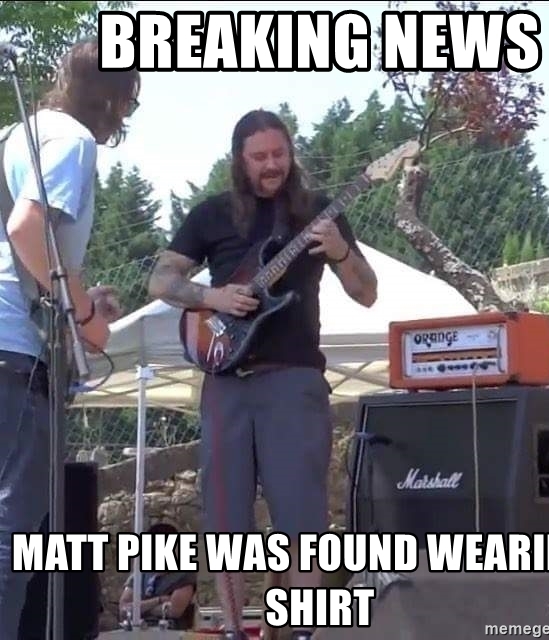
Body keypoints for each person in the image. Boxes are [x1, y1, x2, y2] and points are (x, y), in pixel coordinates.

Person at [147, 109, 378, 640]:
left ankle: (301, 631)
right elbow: (160, 280)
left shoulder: (319, 212)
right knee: (226, 517)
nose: (272, 165)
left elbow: (366, 293)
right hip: (225, 380)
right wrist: (211, 296)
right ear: (239, 160)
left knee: (301, 516)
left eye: (280, 154)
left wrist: (342, 252)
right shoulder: (211, 214)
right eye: (259, 157)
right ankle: (233, 628)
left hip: (294, 380)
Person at [0, 37, 140, 639]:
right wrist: (86, 317)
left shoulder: (17, 134)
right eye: (130, 100)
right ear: (114, 97)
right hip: (16, 358)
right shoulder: (72, 140)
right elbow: (26, 228)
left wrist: (77, 297)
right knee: (10, 533)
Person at [119, 523, 197, 630]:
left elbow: (174, 611)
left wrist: (138, 608)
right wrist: (159, 600)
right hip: (138, 632)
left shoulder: (184, 575)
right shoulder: (139, 575)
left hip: (171, 633)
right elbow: (124, 609)